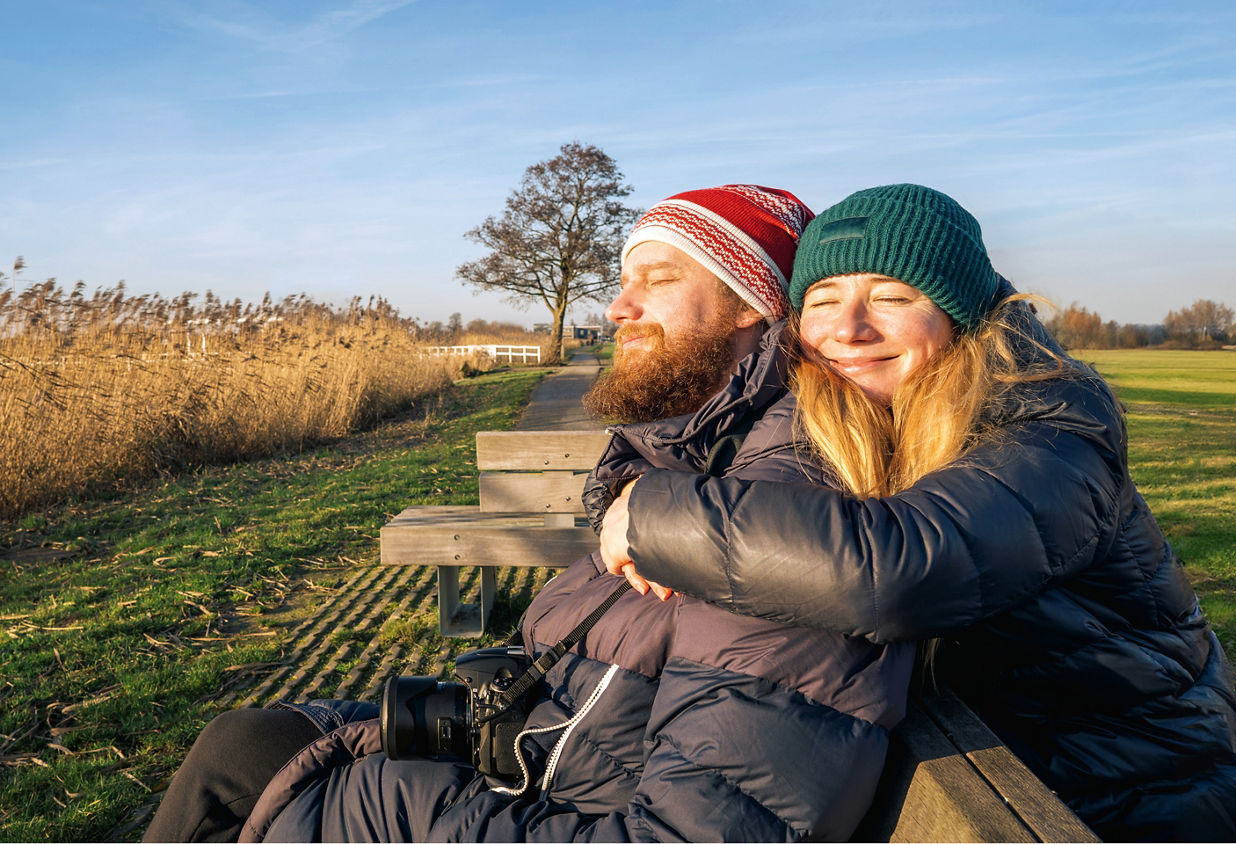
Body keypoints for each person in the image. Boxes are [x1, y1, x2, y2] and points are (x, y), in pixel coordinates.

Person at [146, 185, 912, 842]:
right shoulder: (690, 467)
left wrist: (375, 794)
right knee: (243, 745)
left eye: (657, 278)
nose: (619, 307)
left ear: (755, 306)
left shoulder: (775, 515)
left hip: (555, 802)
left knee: (252, 780)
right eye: (622, 280)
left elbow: (695, 826)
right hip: (532, 763)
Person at [600, 183, 1236, 841]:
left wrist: (653, 514)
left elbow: (901, 570)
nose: (849, 328)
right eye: (822, 299)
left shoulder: (1046, 424)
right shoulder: (870, 418)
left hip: (1153, 800)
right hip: (1020, 774)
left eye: (893, 297)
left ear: (958, 316)